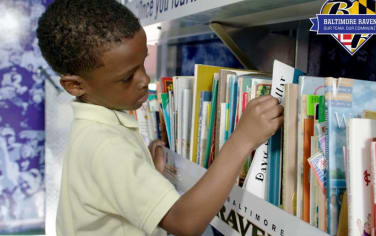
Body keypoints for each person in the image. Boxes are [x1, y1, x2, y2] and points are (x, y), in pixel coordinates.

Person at [36, 0, 284, 235]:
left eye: (143, 62)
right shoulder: (106, 146)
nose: (145, 80)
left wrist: (147, 176)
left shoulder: (95, 128)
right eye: (126, 78)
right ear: (75, 86)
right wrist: (242, 140)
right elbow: (186, 223)